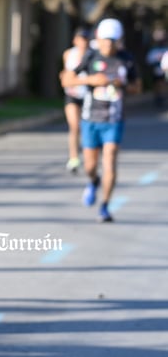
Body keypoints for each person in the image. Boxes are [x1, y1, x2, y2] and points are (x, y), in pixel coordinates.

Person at [60, 17, 140, 223]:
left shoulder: (126, 59)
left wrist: (120, 84)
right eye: (105, 40)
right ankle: (93, 181)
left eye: (113, 41)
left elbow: (137, 87)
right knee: (89, 165)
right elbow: (67, 79)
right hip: (90, 117)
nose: (109, 45)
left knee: (111, 158)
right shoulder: (90, 57)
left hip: (114, 118)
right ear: (99, 39)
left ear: (118, 40)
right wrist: (90, 80)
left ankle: (105, 206)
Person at [60, 26, 91, 174]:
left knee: (86, 127)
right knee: (74, 126)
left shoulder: (92, 55)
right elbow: (66, 73)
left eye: (85, 39)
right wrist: (64, 78)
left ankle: (89, 156)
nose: (82, 42)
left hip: (88, 95)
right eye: (80, 39)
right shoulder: (68, 54)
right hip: (72, 94)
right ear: (75, 40)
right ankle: (73, 158)